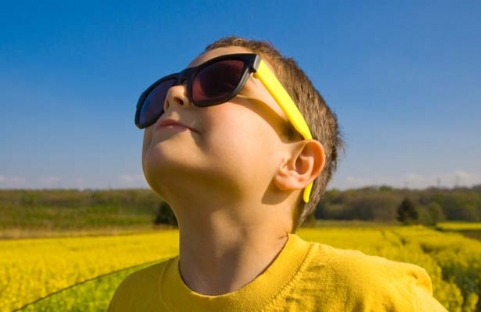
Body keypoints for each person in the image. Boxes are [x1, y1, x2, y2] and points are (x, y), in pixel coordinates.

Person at [108, 36, 447, 311]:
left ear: (297, 164)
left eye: (219, 81)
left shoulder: (374, 297)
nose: (173, 95)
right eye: (155, 97)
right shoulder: (130, 298)